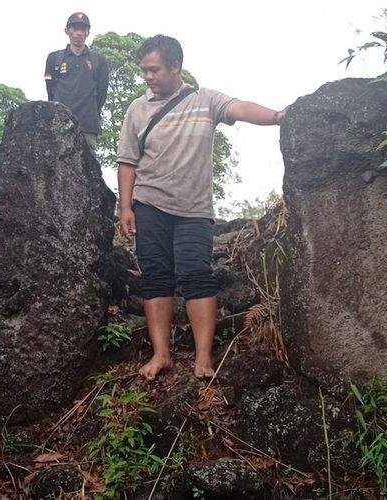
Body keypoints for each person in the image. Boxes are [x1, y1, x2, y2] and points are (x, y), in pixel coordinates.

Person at [116, 35, 288, 381]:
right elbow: (127, 162)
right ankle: (161, 354)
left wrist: (278, 116)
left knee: (197, 275)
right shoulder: (138, 109)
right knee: (156, 279)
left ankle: (203, 357)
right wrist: (126, 207)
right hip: (150, 203)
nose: (147, 76)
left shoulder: (205, 100)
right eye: (144, 71)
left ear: (175, 66)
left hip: (194, 210)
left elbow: (239, 107)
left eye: (154, 69)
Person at [44, 12, 109, 151]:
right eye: (75, 28)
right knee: (56, 168)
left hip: (88, 125)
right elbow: (50, 90)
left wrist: (91, 110)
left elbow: (102, 93)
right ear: (67, 31)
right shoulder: (54, 58)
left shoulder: (98, 60)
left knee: (88, 169)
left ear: (88, 32)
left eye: (83, 29)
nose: (79, 33)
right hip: (59, 125)